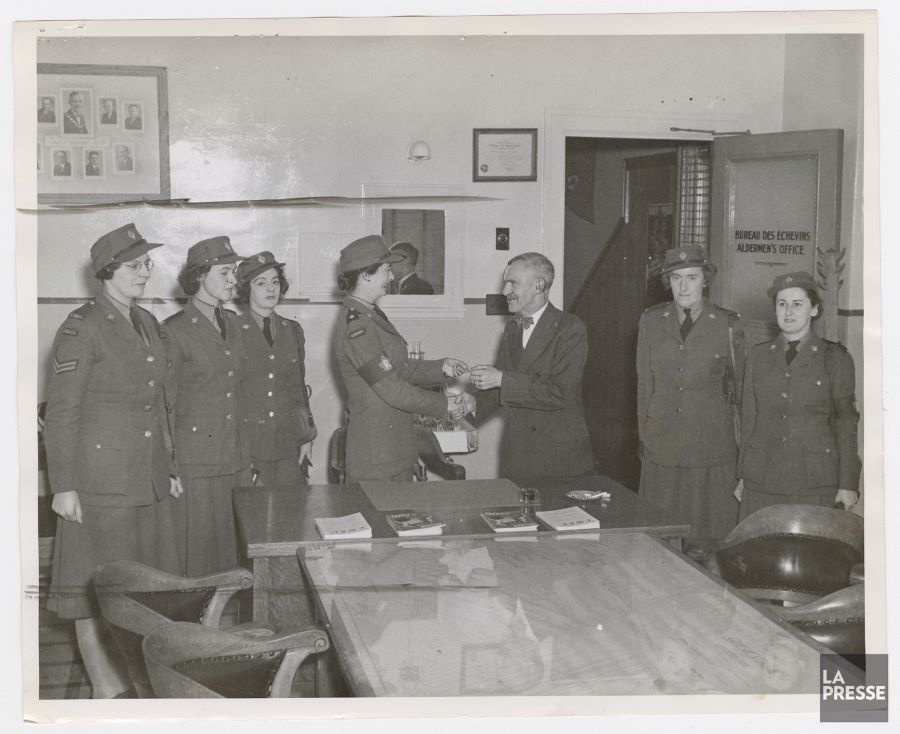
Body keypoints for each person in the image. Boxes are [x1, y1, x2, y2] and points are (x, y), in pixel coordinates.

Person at [44, 223, 184, 698]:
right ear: (107, 272)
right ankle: (108, 697)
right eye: (135, 265)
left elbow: (157, 402)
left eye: (147, 263)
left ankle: (139, 685)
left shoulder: (145, 323)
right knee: (94, 596)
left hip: (144, 479)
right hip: (99, 483)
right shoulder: (80, 328)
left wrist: (167, 467)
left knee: (140, 589)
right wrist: (63, 485)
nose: (146, 272)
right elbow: (62, 412)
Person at [334, 234, 471, 481]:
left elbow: (398, 367)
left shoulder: (370, 315)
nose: (392, 277)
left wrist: (441, 367)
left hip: (393, 447)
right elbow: (392, 389)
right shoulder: (357, 330)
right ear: (366, 274)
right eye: (386, 270)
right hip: (376, 457)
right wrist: (443, 404)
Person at [635, 245, 744, 544]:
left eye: (692, 278)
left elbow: (741, 395)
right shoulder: (650, 321)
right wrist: (645, 439)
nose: (683, 286)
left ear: (705, 280)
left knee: (709, 539)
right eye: (676, 278)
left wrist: (742, 456)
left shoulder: (727, 323)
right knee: (660, 539)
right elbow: (644, 386)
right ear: (667, 281)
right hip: (663, 442)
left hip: (710, 446)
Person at [736, 271, 860, 519]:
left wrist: (847, 484)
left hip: (814, 481)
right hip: (763, 478)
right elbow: (749, 419)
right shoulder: (758, 356)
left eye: (797, 304)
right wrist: (743, 474)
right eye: (782, 304)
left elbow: (846, 423)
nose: (788, 312)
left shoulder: (834, 358)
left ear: (814, 309)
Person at [163, 236, 251, 575]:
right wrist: (170, 466)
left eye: (234, 272)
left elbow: (238, 393)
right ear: (200, 275)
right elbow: (164, 405)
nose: (233, 280)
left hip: (235, 457)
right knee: (199, 558)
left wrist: (248, 456)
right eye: (225, 273)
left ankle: (228, 628)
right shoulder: (175, 331)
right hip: (196, 462)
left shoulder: (233, 324)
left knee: (235, 554)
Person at [470, 252, 592, 483]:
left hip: (558, 458)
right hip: (518, 455)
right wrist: (470, 404)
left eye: (512, 283)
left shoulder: (571, 329)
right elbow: (500, 390)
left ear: (538, 286)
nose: (505, 291)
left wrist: (501, 379)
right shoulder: (512, 329)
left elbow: (557, 393)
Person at [234, 251, 317, 487]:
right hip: (249, 448)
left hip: (288, 446)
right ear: (246, 290)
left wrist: (307, 437)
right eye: (261, 283)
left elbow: (299, 390)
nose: (270, 289)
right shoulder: (232, 330)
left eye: (275, 282)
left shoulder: (292, 330)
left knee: (292, 515)